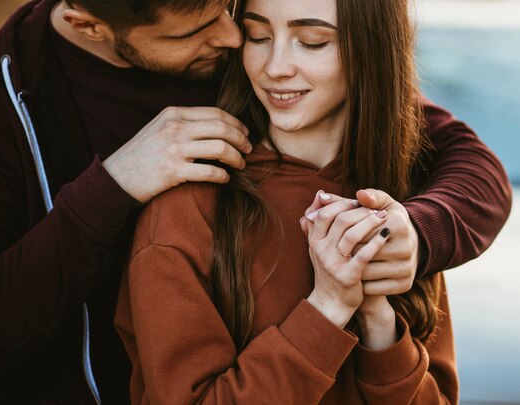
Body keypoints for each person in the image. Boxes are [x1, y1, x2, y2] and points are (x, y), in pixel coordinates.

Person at [0, 0, 511, 403]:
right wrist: (114, 187)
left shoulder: (269, 65)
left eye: (232, 15)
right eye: (196, 30)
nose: (232, 41)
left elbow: (465, 158)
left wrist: (416, 236)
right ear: (88, 24)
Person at [113, 0, 511, 403]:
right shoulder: (186, 209)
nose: (275, 67)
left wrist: (378, 321)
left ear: (370, 50)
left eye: (312, 41)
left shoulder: (395, 208)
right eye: (258, 36)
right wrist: (328, 309)